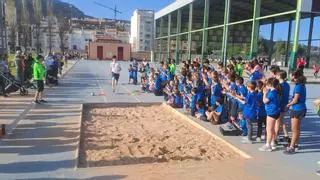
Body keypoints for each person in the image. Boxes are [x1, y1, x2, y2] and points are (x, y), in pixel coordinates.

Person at [284, 70, 307, 154]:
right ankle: (295, 144)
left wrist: (288, 104)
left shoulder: (298, 86)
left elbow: (296, 99)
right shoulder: (302, 85)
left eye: (291, 75)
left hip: (297, 109)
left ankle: (292, 146)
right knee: (297, 128)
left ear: (294, 76)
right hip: (301, 108)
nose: (290, 76)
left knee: (294, 129)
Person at [259, 78, 281, 152]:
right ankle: (273, 143)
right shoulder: (274, 91)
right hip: (276, 111)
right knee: (272, 128)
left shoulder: (271, 93)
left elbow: (265, 101)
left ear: (270, 85)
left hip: (272, 112)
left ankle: (268, 145)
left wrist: (264, 93)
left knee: (269, 129)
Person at [275, 70, 290, 144]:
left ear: (279, 76)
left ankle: (275, 138)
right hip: (285, 104)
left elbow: (278, 96)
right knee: (281, 121)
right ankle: (286, 135)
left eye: (277, 75)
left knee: (278, 121)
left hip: (280, 105)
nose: (276, 76)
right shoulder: (287, 84)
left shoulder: (279, 85)